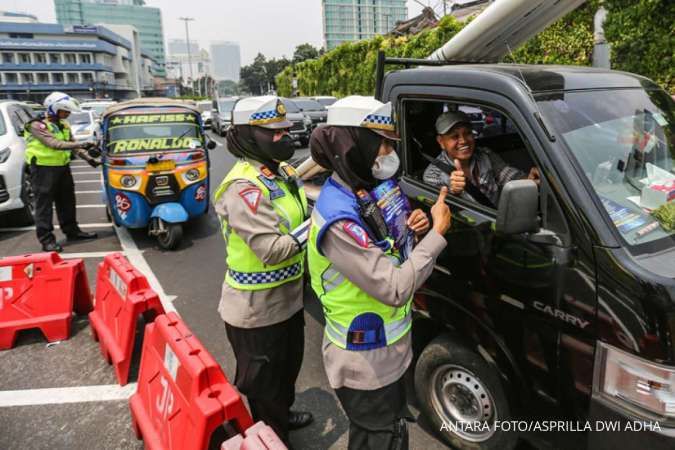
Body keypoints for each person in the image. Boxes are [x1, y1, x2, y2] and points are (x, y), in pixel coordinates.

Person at [307, 96, 452, 450]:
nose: (387, 152)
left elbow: (389, 246)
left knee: (392, 433)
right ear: (354, 143)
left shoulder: (364, 190)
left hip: (389, 352)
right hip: (365, 365)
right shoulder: (339, 217)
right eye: (381, 143)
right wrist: (436, 235)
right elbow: (394, 287)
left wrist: (414, 229)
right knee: (378, 439)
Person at [213, 96, 313, 445]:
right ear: (247, 135)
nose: (284, 136)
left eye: (285, 129)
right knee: (265, 387)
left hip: (289, 300)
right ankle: (272, 436)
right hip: (255, 310)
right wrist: (318, 225)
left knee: (287, 373)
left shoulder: (281, 172)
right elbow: (271, 250)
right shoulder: (243, 186)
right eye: (274, 132)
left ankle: (280, 417)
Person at [24, 91, 100, 252]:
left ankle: (72, 231)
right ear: (53, 109)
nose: (67, 114)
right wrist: (82, 144)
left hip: (62, 168)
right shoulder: (36, 125)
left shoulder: (63, 124)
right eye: (65, 111)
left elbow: (72, 144)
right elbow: (54, 144)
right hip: (43, 170)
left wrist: (90, 160)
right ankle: (47, 240)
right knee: (44, 206)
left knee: (67, 201)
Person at [423, 110, 540, 208]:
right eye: (454, 136)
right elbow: (442, 214)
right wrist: (454, 192)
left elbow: (508, 176)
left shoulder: (485, 155)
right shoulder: (432, 175)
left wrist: (528, 179)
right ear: (441, 142)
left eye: (467, 133)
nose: (463, 141)